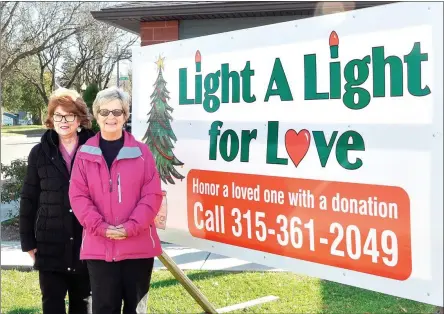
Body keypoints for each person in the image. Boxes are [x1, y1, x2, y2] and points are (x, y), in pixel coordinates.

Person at [68, 87, 163, 314]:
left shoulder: (142, 153)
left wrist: (129, 228)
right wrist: (102, 228)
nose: (111, 117)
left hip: (138, 248)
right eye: (104, 111)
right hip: (99, 249)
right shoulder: (83, 155)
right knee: (104, 309)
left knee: (135, 310)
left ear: (126, 115)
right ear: (96, 115)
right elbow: (78, 197)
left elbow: (152, 195)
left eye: (117, 111)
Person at [19, 88, 95, 314]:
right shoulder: (39, 153)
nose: (64, 121)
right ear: (51, 119)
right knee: (52, 304)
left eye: (70, 115)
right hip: (49, 243)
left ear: (80, 118)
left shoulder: (95, 149)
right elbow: (28, 197)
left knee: (83, 305)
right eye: (58, 115)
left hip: (86, 243)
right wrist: (27, 241)